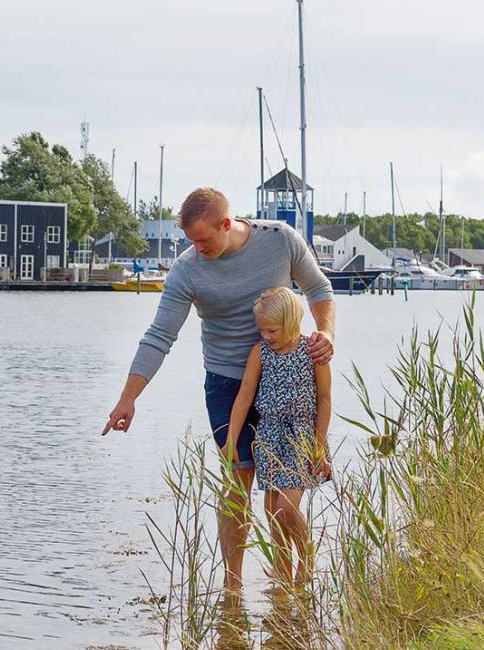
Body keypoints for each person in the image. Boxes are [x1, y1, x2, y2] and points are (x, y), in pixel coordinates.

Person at [102, 188, 336, 594]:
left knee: (279, 488)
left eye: (204, 239)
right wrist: (128, 398)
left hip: (287, 375)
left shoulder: (279, 239)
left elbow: (319, 288)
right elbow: (160, 336)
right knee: (238, 478)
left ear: (226, 224)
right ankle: (232, 590)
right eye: (191, 241)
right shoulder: (188, 269)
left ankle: (285, 583)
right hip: (229, 382)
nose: (196, 248)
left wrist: (325, 334)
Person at [222, 287, 332, 586]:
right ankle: (283, 580)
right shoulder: (261, 352)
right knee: (273, 514)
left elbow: (324, 400)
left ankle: (306, 556)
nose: (266, 335)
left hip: (302, 437)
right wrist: (231, 439)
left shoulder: (313, 351)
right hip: (269, 435)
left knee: (286, 505)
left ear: (292, 321)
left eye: (272, 329)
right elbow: (244, 396)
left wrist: (318, 446)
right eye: (262, 329)